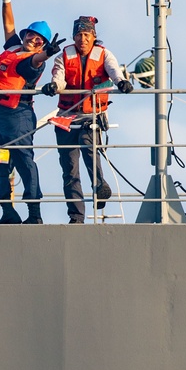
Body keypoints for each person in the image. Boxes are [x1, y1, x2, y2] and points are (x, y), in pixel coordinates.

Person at [0, 0, 65, 224]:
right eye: (31, 35)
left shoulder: (32, 60)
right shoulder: (13, 48)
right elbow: (8, 26)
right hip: (1, 118)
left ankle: (34, 213)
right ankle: (8, 210)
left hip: (18, 116)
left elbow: (34, 62)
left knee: (23, 160)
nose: (33, 40)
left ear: (43, 45)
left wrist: (47, 55)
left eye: (39, 40)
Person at [41, 16, 133, 224]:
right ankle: (76, 216)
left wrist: (122, 82)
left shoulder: (104, 55)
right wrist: (54, 86)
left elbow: (113, 71)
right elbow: (59, 76)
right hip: (66, 118)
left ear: (93, 36)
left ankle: (99, 186)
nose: (82, 39)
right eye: (78, 35)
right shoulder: (64, 56)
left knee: (89, 149)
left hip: (91, 117)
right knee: (69, 169)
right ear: (74, 37)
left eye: (86, 35)